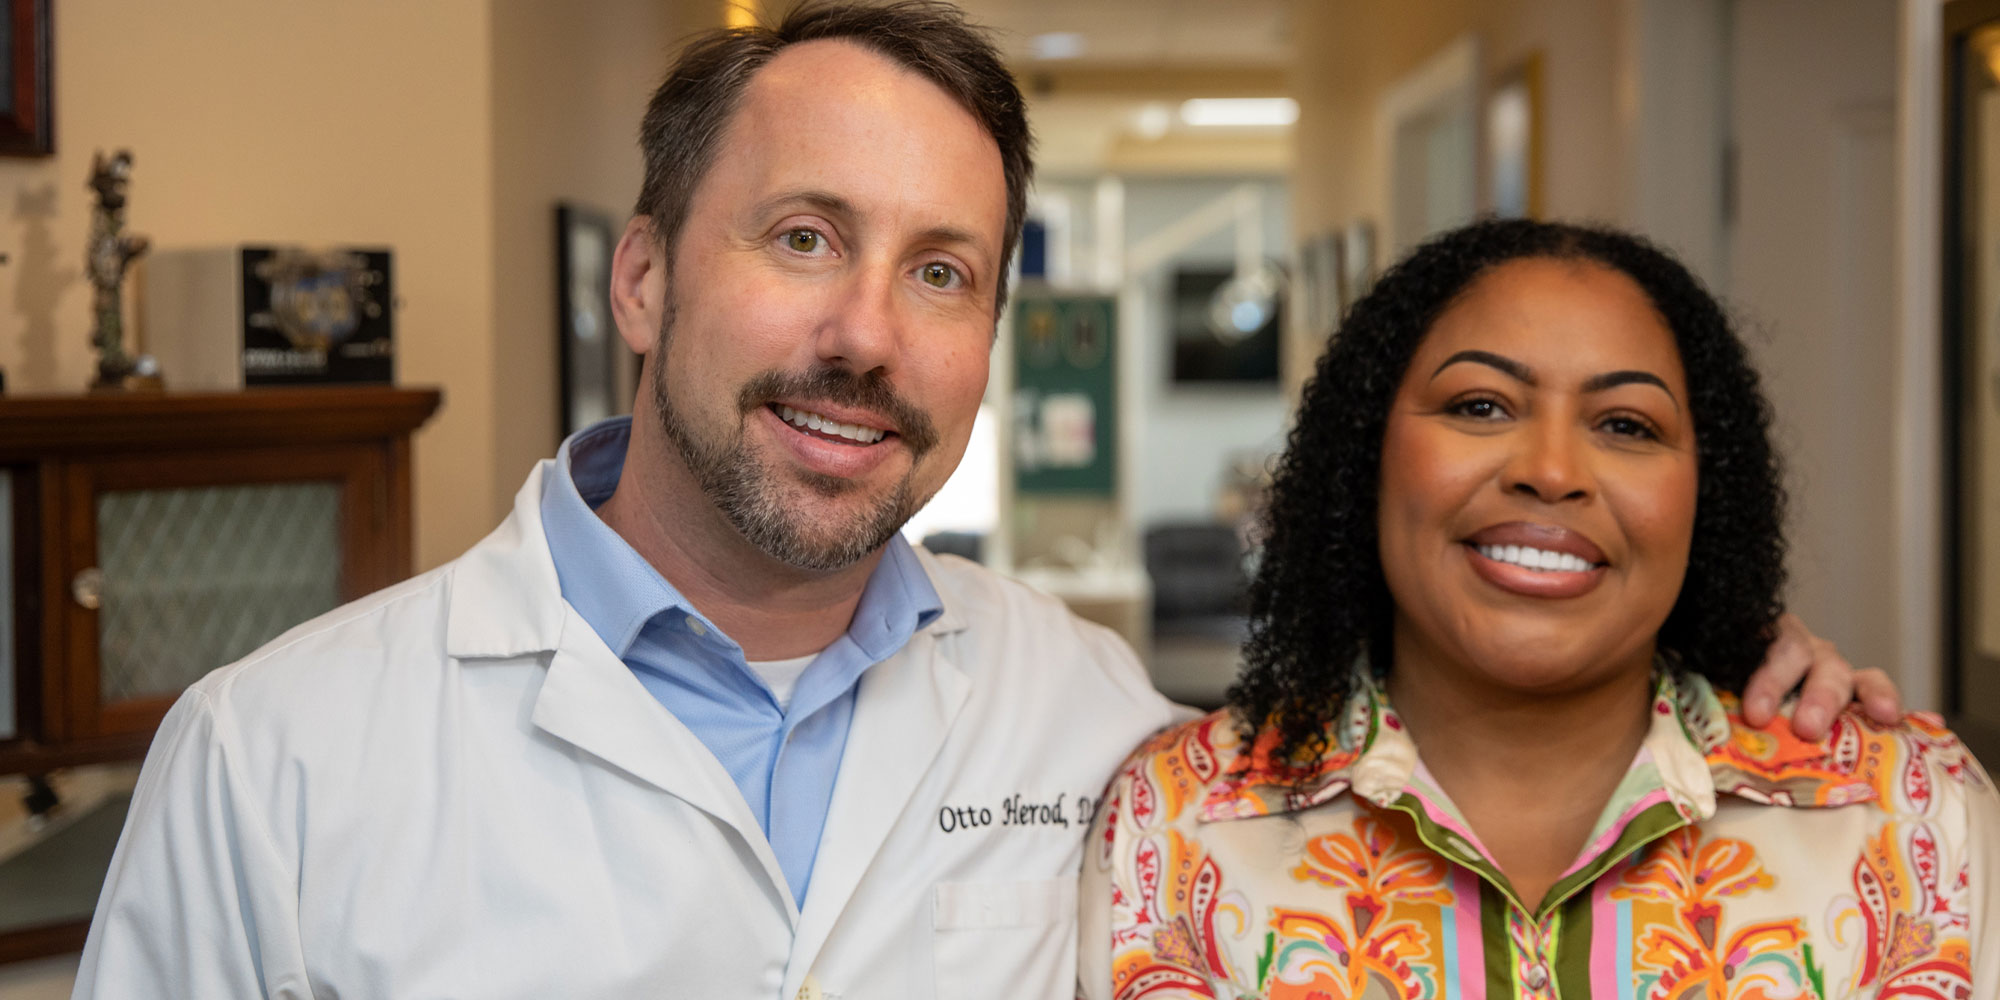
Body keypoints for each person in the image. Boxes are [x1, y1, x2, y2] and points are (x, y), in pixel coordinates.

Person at [73, 6, 1887, 998]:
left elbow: (1435, 775)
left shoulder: (1103, 726)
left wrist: (1722, 668)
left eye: (947, 275)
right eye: (806, 241)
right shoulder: (276, 762)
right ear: (639, 281)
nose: (869, 337)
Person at [1078, 218, 1999, 999]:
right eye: (1481, 406)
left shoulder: (1911, 818)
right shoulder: (1179, 823)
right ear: (1366, 458)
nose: (1551, 470)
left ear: (1703, 495)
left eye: (1626, 425)